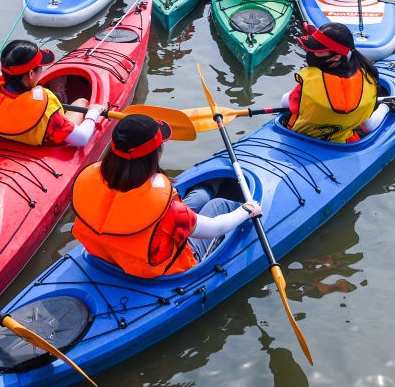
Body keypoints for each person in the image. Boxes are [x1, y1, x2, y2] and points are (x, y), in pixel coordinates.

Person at [70, 114, 262, 278]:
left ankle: (213, 185)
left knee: (200, 196)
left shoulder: (90, 181)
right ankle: (241, 201)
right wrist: (247, 210)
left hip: (107, 256)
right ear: (157, 154)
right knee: (219, 205)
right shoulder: (169, 210)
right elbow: (216, 228)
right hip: (164, 268)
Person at [0, 40, 105, 147]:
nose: (42, 70)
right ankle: (61, 97)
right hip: (41, 137)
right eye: (40, 68)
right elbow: (81, 139)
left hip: (3, 132)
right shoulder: (46, 107)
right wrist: (93, 113)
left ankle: (59, 93)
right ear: (31, 73)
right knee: (80, 101)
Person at [282, 24, 391, 144]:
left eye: (317, 50)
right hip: (339, 143)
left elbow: (285, 102)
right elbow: (369, 126)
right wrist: (386, 107)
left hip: (296, 139)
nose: (310, 52)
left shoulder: (309, 83)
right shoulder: (368, 81)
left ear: (336, 56)